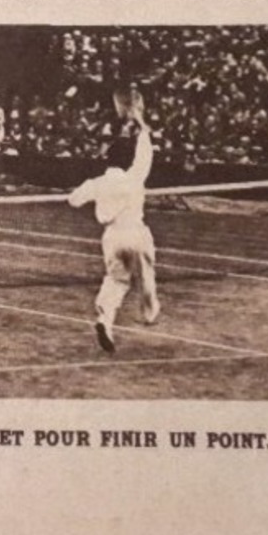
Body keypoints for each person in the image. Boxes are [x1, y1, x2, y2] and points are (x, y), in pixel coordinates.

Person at [66, 110, 159, 353]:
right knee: (146, 274)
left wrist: (85, 191)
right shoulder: (135, 176)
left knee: (116, 281)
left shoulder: (97, 182)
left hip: (112, 237)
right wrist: (142, 124)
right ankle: (149, 313)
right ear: (127, 161)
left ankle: (105, 322)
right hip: (137, 232)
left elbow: (73, 200)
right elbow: (145, 153)